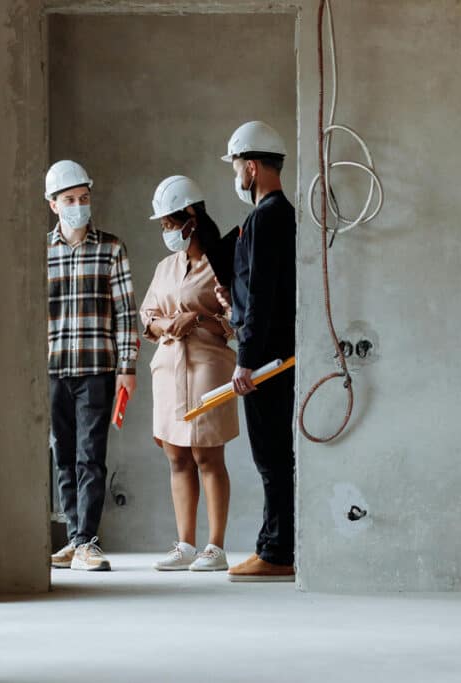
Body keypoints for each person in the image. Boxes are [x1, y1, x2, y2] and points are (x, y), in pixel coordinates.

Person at [212, 121, 298, 582]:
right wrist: (235, 306)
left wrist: (245, 361)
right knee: (274, 454)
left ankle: (277, 551)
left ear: (251, 166)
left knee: (271, 455)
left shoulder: (266, 217)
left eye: (236, 168)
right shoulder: (274, 216)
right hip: (271, 351)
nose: (236, 178)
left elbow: (264, 295)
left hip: (267, 360)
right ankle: (277, 545)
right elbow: (257, 291)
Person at [140, 176, 238, 572]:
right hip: (167, 369)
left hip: (206, 368)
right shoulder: (166, 267)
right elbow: (148, 317)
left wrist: (196, 318)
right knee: (176, 456)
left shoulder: (222, 264)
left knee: (207, 454)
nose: (167, 232)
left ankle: (215, 546)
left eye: (169, 223)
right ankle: (185, 543)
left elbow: (235, 321)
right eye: (163, 225)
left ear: (191, 217)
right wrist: (165, 326)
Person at [45, 160, 138, 572]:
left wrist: (128, 368)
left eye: (84, 198)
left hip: (97, 369)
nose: (79, 206)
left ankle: (87, 541)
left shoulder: (111, 248)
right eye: (70, 200)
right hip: (53, 370)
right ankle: (72, 538)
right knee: (62, 456)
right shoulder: (41, 253)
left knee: (90, 456)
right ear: (53, 205)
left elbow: (125, 315)